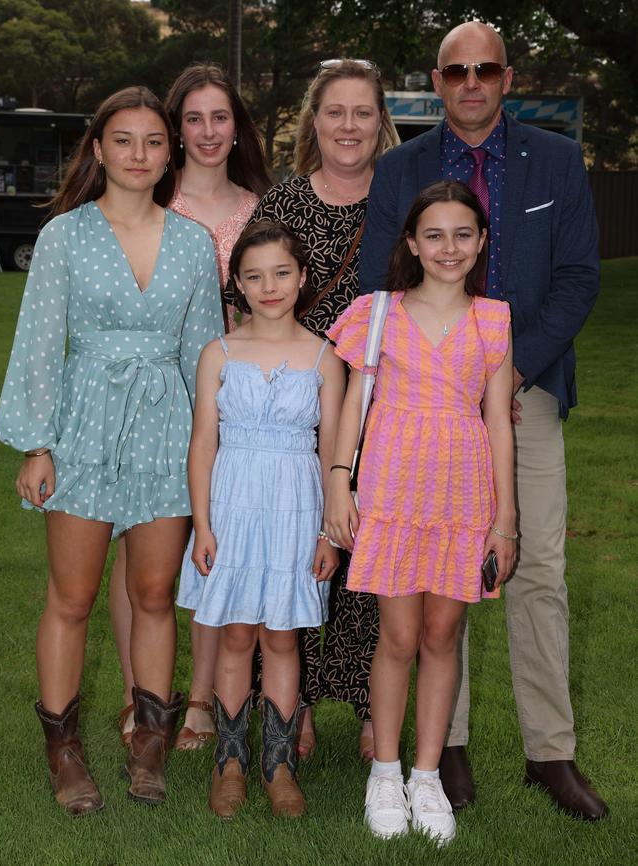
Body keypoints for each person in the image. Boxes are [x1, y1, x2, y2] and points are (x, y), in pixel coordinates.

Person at [358, 20, 607, 820]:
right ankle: (443, 753)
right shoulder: (401, 168)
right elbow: (376, 283)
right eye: (456, 69)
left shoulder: (558, 162)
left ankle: (551, 753)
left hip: (521, 390)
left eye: (486, 69)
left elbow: (577, 278)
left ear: (507, 76)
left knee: (533, 568)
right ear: (436, 80)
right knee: (435, 569)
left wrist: (509, 369)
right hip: (418, 404)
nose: (471, 81)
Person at [0, 86, 223, 814]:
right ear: (98, 149)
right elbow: (37, 344)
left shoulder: (193, 242)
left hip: (165, 430)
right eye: (123, 140)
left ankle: (149, 744)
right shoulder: (65, 235)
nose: (139, 155)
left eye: (154, 142)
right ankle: (63, 753)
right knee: (73, 596)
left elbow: (204, 354)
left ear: (170, 153)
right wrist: (37, 444)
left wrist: (210, 452)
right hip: (83, 423)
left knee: (155, 594)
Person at [325, 181, 515, 842]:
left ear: (481, 240)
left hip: (462, 497)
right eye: (433, 234)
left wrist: (506, 519)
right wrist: (339, 483)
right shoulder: (377, 312)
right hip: (393, 491)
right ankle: (385, 770)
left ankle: (427, 776)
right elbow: (352, 404)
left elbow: (499, 422)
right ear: (411, 242)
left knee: (442, 636)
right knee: (399, 637)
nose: (449, 247)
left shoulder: (494, 320)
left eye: (463, 233)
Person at [109, 63, 272, 752]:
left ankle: (201, 700)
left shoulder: (264, 207)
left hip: (236, 396)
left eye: (221, 117)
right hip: (148, 394)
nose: (208, 132)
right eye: (195, 119)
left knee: (215, 543)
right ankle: (136, 695)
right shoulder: (151, 199)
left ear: (238, 127)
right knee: (138, 547)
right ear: (176, 129)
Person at [250, 57, 399, 760]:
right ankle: (295, 700)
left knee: (375, 553)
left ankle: (374, 703)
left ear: (380, 122)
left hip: (387, 404)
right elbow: (243, 295)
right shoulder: (282, 203)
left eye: (362, 113)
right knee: (299, 549)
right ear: (316, 121)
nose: (348, 126)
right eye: (334, 112)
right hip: (298, 404)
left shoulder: (401, 199)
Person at [183, 220, 344, 817]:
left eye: (281, 273)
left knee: (281, 636)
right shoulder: (218, 353)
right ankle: (230, 762)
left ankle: (279, 764)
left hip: (296, 511)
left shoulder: (325, 357)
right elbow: (203, 443)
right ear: (239, 287)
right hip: (231, 506)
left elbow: (332, 452)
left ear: (302, 278)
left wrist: (329, 528)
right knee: (235, 633)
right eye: (254, 276)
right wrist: (202, 524)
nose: (269, 286)